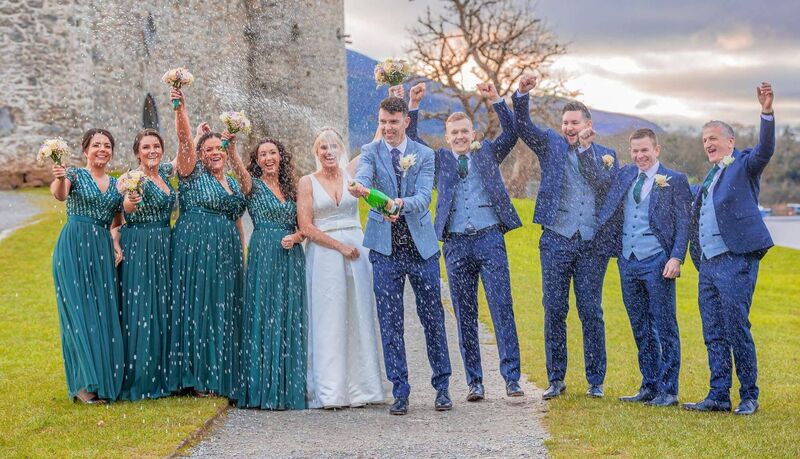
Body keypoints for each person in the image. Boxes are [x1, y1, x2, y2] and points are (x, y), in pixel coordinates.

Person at [403, 81, 524, 401]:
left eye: (464, 132)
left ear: (473, 133)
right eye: (454, 133)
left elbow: (512, 133)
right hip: (455, 245)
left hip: (489, 239)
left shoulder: (487, 153)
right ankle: (475, 382)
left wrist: (497, 99)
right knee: (465, 313)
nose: (459, 137)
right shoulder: (439, 160)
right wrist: (412, 105)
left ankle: (511, 378)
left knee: (502, 308)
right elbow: (411, 143)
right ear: (447, 137)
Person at [513, 74, 617, 399]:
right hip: (556, 239)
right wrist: (521, 94)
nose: (568, 127)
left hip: (590, 244)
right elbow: (524, 127)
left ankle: (595, 382)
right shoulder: (551, 145)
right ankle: (556, 379)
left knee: (590, 310)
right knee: (554, 308)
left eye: (574, 122)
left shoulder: (606, 154)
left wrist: (586, 150)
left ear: (588, 124)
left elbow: (602, 185)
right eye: (565, 122)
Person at [349, 96, 452, 415]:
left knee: (433, 318)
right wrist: (362, 190)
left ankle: (443, 387)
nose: (387, 127)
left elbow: (423, 197)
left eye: (393, 122)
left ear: (406, 121)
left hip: (421, 249)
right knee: (390, 322)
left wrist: (399, 205)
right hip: (384, 250)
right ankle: (401, 390)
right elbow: (364, 179)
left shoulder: (424, 154)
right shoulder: (370, 152)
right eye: (383, 122)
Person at [683, 82, 775, 416]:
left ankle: (748, 395)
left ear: (730, 142)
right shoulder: (707, 180)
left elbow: (765, 149)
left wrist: (766, 112)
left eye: (714, 138)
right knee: (713, 330)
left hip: (736, 259)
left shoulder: (745, 164)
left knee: (737, 327)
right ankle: (718, 394)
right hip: (707, 265)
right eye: (705, 140)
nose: (708, 144)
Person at [597, 128, 691, 407]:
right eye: (635, 151)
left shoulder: (675, 180)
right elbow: (601, 180)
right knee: (640, 326)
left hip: (658, 261)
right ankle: (649, 385)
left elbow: (684, 223)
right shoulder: (625, 175)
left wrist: (676, 257)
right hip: (628, 261)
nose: (640, 156)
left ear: (657, 150)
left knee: (664, 326)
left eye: (645, 150)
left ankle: (669, 389)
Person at [166, 87, 249, 401]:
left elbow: (237, 219)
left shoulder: (228, 181)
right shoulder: (190, 173)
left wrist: (241, 252)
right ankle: (196, 375)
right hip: (196, 248)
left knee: (221, 307)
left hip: (226, 252)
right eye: (209, 149)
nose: (216, 152)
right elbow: (185, 139)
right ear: (200, 155)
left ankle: (220, 372)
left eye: (220, 148)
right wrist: (180, 109)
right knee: (198, 306)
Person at [298, 128, 385, 409]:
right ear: (316, 153)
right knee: (329, 317)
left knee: (358, 314)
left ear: (341, 149)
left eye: (333, 146)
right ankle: (330, 391)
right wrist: (339, 247)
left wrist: (392, 92)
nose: (328, 151)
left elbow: (374, 141)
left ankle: (363, 388)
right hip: (324, 254)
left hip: (357, 253)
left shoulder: (351, 174)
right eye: (323, 147)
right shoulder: (307, 182)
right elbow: (307, 226)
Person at [50, 128, 124, 403]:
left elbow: (117, 222)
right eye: (96, 145)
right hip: (73, 247)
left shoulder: (117, 184)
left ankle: (101, 378)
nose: (102, 149)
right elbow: (60, 194)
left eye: (107, 145)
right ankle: (83, 385)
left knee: (100, 313)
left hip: (102, 250)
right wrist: (58, 179)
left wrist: (115, 242)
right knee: (78, 314)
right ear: (85, 151)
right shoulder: (74, 175)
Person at [238, 137, 307, 410]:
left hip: (291, 255)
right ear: (256, 161)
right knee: (263, 314)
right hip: (264, 253)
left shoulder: (294, 188)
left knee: (288, 314)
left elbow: (305, 227)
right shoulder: (251, 186)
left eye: (272, 153)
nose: (268, 158)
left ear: (281, 157)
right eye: (262, 154)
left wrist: (296, 237)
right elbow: (236, 166)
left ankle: (287, 387)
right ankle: (261, 387)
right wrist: (232, 142)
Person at [117, 128, 176, 401]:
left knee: (163, 307)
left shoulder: (164, 172)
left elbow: (183, 158)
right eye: (146, 147)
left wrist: (201, 136)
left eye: (156, 146)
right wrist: (131, 199)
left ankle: (164, 373)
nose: (152, 151)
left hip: (165, 244)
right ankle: (141, 378)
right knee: (142, 308)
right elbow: (125, 208)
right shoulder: (131, 178)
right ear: (137, 152)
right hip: (140, 244)